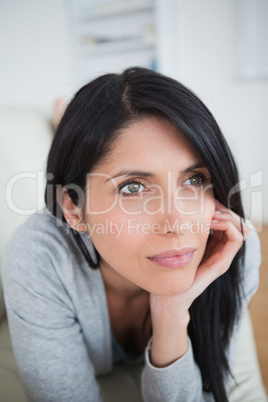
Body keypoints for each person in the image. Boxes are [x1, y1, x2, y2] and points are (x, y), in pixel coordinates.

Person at [1, 67, 264, 402]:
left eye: (194, 180)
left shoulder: (231, 245)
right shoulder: (39, 255)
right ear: (72, 209)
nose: (177, 224)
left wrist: (170, 313)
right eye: (133, 188)